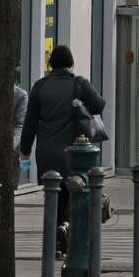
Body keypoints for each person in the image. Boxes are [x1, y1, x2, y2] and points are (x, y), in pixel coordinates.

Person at [19, 46, 104, 183]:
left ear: (51, 63)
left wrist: (25, 150)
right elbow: (99, 105)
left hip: (46, 153)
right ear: (71, 63)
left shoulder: (40, 86)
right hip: (75, 153)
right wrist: (81, 107)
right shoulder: (79, 84)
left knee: (52, 195)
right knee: (73, 196)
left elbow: (30, 122)